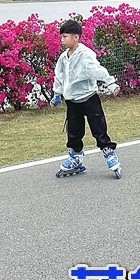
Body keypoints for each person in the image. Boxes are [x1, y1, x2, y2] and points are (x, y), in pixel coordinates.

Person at [52, 20, 122, 177]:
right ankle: (76, 158)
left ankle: (109, 154)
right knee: (74, 132)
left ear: (76, 37)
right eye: (61, 36)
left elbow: (97, 70)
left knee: (99, 129)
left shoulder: (85, 54)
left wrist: (111, 84)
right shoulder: (63, 58)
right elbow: (59, 76)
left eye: (65, 36)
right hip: (72, 101)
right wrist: (57, 93)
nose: (62, 39)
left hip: (89, 99)